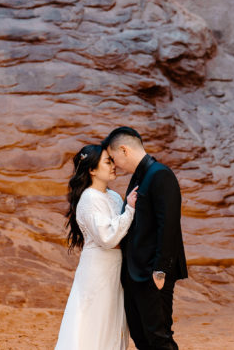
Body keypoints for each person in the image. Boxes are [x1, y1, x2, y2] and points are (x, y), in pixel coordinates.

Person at [103, 127, 187, 350]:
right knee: (141, 336)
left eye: (113, 158)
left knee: (159, 338)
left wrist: (160, 271)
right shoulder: (140, 176)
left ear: (124, 150)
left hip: (153, 274)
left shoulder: (160, 175)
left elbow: (168, 226)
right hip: (135, 273)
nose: (115, 165)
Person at [55, 143, 138, 350]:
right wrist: (130, 209)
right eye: (107, 162)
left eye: (113, 161)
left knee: (112, 321)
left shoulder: (113, 196)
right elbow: (107, 238)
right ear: (92, 169)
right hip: (97, 270)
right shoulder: (89, 199)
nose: (113, 165)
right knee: (93, 322)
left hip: (116, 269)